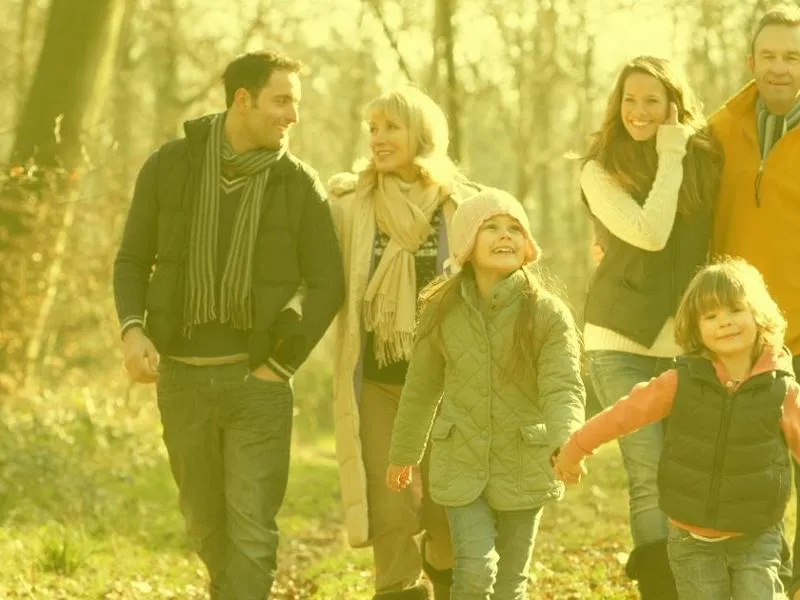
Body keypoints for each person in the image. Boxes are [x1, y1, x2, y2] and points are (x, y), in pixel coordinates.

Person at [112, 51, 344, 600]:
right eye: (281, 101)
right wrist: (132, 329)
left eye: (296, 103)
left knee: (253, 532)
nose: (293, 116)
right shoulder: (168, 166)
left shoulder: (297, 184)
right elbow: (131, 260)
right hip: (183, 384)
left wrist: (279, 365)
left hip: (256, 387)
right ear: (243, 99)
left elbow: (328, 285)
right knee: (203, 524)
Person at [556, 258, 800, 600]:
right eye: (710, 316)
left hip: (756, 535)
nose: (725, 322)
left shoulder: (781, 389)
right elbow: (624, 414)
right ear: (695, 328)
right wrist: (576, 447)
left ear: (759, 315)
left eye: (734, 310)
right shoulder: (680, 382)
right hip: (692, 539)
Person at [386, 189, 586, 600]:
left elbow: (562, 385)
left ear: (527, 246)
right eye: (490, 227)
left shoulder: (547, 314)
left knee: (511, 582)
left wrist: (568, 441)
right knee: (475, 571)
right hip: (461, 461)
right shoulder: (441, 309)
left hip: (524, 460)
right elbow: (421, 389)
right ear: (465, 244)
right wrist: (404, 453)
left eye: (514, 228)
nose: (505, 235)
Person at [327, 85, 483, 600]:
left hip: (443, 380)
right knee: (389, 504)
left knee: (444, 504)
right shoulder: (350, 203)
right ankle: (397, 587)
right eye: (372, 128)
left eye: (391, 126)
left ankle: (442, 568)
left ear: (421, 132)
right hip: (375, 379)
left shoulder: (460, 204)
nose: (378, 138)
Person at [579, 55, 723, 598]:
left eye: (652, 101)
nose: (639, 111)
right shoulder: (599, 169)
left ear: (673, 107)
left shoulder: (705, 162)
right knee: (648, 472)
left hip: (687, 343)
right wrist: (669, 153)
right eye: (629, 100)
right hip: (619, 342)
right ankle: (663, 591)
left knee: (686, 471)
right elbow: (650, 232)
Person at [708, 6, 800, 596]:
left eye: (792, 56)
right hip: (743, 334)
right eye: (768, 55)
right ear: (751, 62)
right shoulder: (721, 128)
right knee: (756, 472)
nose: (779, 68)